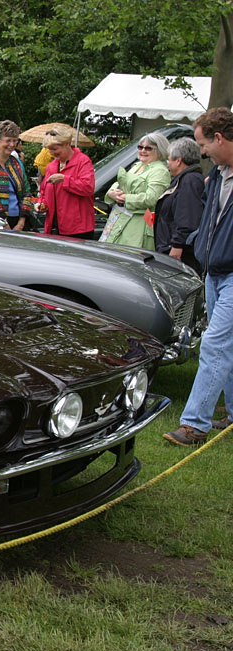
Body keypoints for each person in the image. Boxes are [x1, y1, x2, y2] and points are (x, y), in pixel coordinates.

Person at [163, 108, 233, 446]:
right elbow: (212, 222)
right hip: (215, 272)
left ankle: (194, 425)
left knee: (215, 345)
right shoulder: (218, 174)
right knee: (226, 346)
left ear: (219, 138)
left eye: (204, 143)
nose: (201, 151)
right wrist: (198, 242)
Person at [102, 132, 169, 249]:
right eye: (140, 147)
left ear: (160, 150)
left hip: (138, 224)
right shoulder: (136, 166)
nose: (143, 151)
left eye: (148, 148)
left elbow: (151, 198)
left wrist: (126, 198)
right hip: (118, 220)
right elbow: (119, 183)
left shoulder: (160, 171)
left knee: (128, 257)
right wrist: (111, 192)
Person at [154, 136, 205, 265]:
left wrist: (177, 244)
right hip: (172, 247)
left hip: (179, 253)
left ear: (178, 161)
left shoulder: (190, 181)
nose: (167, 164)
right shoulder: (185, 180)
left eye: (169, 159)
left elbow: (187, 216)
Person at [36, 128, 95, 238]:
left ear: (67, 144)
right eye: (49, 150)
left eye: (55, 149)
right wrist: (41, 203)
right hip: (54, 227)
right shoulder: (51, 166)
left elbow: (88, 188)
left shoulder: (83, 161)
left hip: (78, 229)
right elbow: (44, 190)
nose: (52, 153)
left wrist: (64, 179)